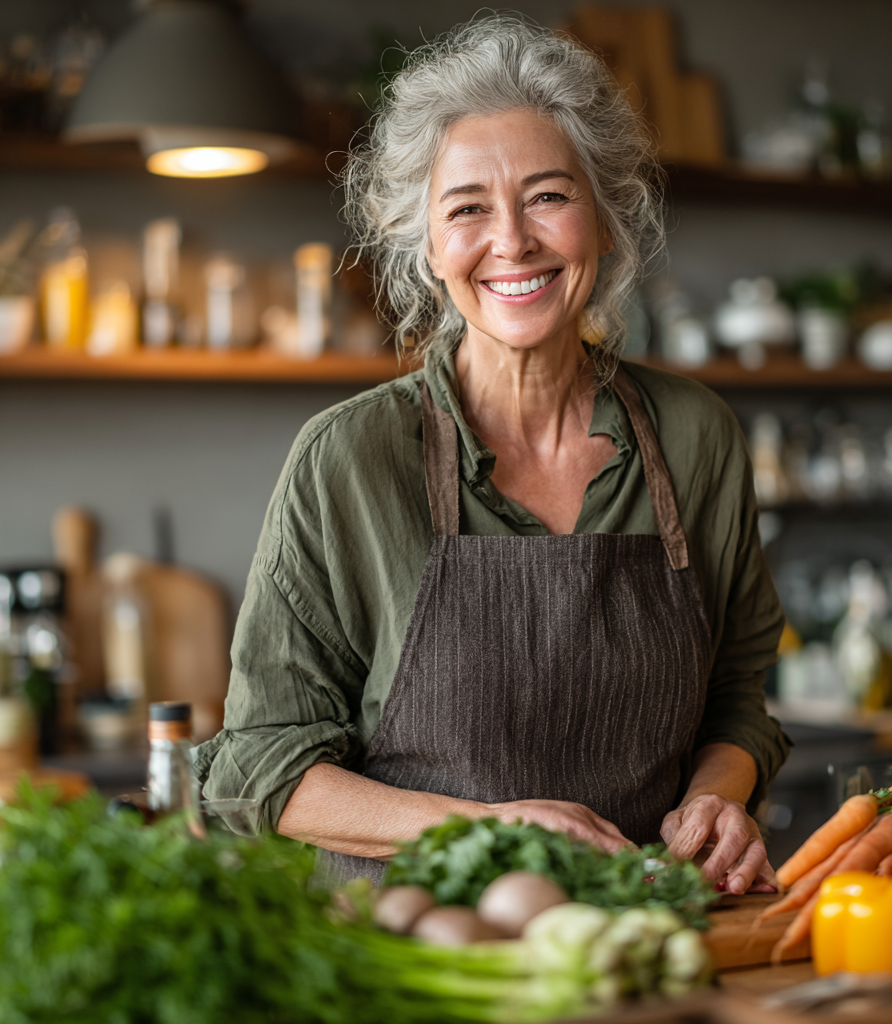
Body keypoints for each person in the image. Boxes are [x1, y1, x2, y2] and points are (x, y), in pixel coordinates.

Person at [196, 15, 790, 895]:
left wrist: (716, 797)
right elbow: (259, 768)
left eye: (549, 196)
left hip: (634, 941)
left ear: (604, 218)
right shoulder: (349, 460)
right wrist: (490, 830)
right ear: (428, 247)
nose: (511, 241)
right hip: (413, 954)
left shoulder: (696, 436)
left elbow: (738, 695)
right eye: (467, 208)